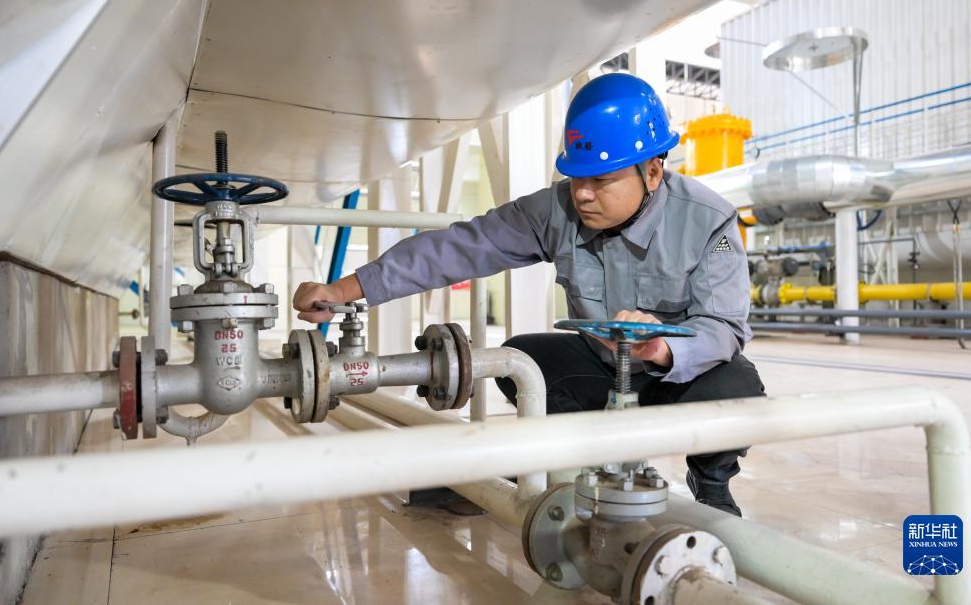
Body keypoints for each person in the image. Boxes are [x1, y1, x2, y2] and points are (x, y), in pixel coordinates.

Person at [293, 73, 765, 516]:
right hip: (604, 369)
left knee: (737, 386)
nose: (582, 195)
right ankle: (570, 466)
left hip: (677, 379)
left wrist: (663, 347)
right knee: (520, 360)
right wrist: (344, 289)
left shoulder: (709, 221)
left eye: (601, 180)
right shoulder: (557, 210)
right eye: (577, 177)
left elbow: (724, 327)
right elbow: (458, 249)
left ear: (653, 172)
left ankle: (712, 484)